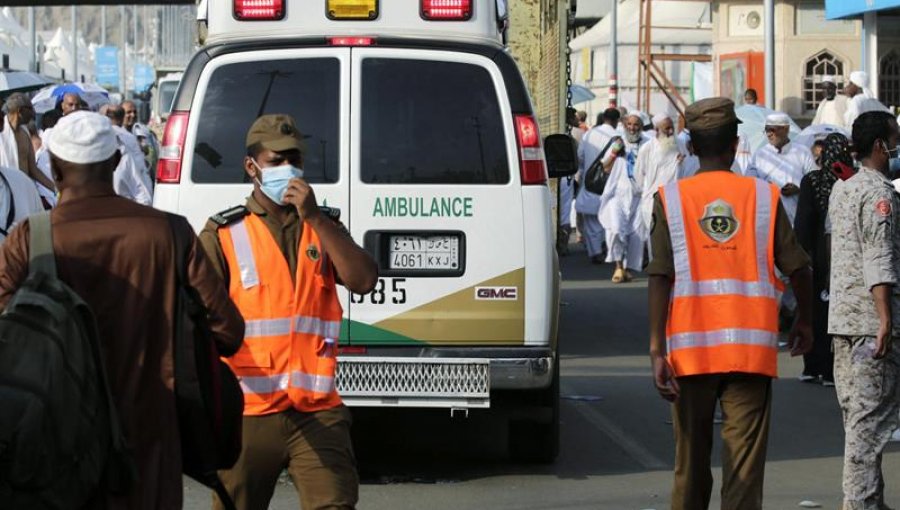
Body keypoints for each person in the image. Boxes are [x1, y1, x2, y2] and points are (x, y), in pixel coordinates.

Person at [0, 110, 246, 509]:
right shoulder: (171, 232)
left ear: (56, 169)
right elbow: (229, 332)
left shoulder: (30, 240)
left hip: (57, 460)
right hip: (150, 455)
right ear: (116, 163)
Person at [199, 114, 378, 510]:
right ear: (252, 168)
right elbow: (196, 317)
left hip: (317, 410)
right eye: (275, 161)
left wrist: (314, 217)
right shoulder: (223, 233)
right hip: (248, 411)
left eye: (294, 159)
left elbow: (364, 280)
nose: (288, 169)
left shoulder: (322, 225)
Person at [647, 97, 813, 510]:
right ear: (736, 143)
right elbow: (800, 269)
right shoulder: (764, 197)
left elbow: (659, 276)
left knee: (689, 465)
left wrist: (655, 348)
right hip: (750, 353)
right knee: (743, 470)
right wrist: (805, 321)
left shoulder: (671, 199)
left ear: (691, 147)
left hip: (690, 354)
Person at [828, 110, 900, 510]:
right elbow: (879, 257)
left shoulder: (845, 188)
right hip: (871, 323)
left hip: (843, 319)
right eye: (894, 140)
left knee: (858, 418)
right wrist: (885, 318)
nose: (896, 149)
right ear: (879, 145)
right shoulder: (880, 193)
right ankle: (859, 503)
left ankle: (870, 499)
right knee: (869, 424)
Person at [795, 133, 855, 387]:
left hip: (817, 258)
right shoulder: (852, 181)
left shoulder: (812, 181)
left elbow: (803, 221)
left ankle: (813, 366)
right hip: (846, 257)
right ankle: (834, 370)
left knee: (815, 310)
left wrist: (802, 254)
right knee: (840, 312)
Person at [598, 112, 649, 282]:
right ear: (625, 125)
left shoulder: (648, 145)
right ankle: (618, 266)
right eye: (630, 124)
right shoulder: (618, 142)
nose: (632, 128)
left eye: (636, 125)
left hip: (638, 196)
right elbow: (605, 168)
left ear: (641, 127)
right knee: (616, 230)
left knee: (635, 234)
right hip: (617, 195)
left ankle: (626, 268)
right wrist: (614, 154)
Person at [747, 113, 817, 225]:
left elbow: (814, 182)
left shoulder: (803, 152)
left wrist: (799, 189)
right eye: (767, 130)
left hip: (797, 218)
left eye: (772, 130)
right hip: (768, 219)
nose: (769, 134)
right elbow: (749, 183)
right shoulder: (760, 154)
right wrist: (767, 187)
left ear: (785, 129)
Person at [576, 108, 620, 264]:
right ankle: (604, 249)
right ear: (616, 121)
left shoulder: (589, 134)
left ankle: (595, 251)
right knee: (607, 218)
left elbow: (580, 156)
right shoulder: (617, 137)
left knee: (591, 221)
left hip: (590, 182)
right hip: (609, 183)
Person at [636, 113, 682, 237]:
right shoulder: (647, 148)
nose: (671, 131)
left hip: (675, 201)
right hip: (652, 201)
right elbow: (638, 175)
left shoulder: (680, 145)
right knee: (655, 240)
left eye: (672, 127)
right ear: (656, 130)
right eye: (667, 128)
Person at [0, 93, 56, 194]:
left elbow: (33, 169)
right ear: (20, 111)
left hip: (25, 192)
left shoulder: (25, 132)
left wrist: (55, 188)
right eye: (30, 109)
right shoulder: (1, 134)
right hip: (6, 195)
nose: (33, 114)